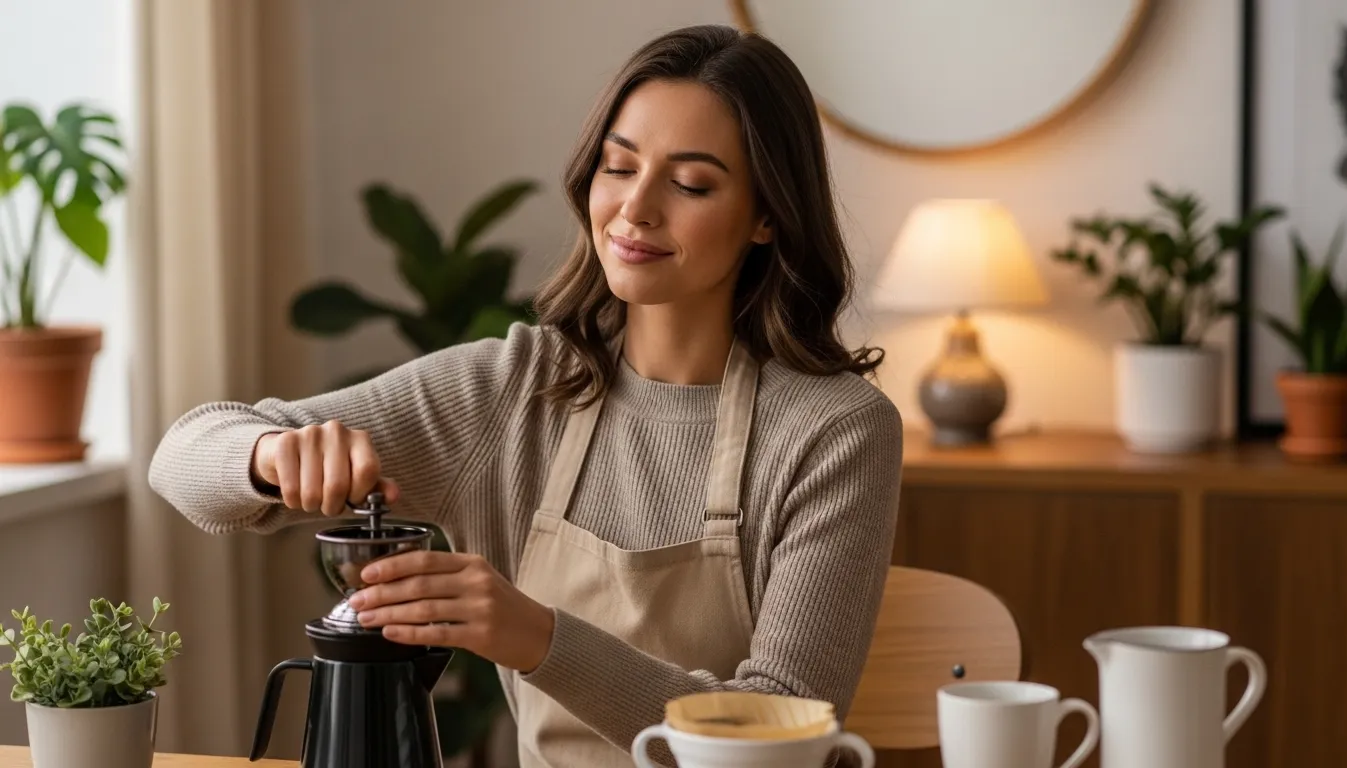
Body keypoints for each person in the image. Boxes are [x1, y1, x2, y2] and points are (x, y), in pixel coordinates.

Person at [149, 23, 903, 768]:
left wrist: (538, 638)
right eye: (618, 167)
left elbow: (782, 731)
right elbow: (181, 458)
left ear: (767, 215)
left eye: (690, 184)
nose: (635, 209)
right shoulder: (514, 390)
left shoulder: (836, 431)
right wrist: (270, 454)